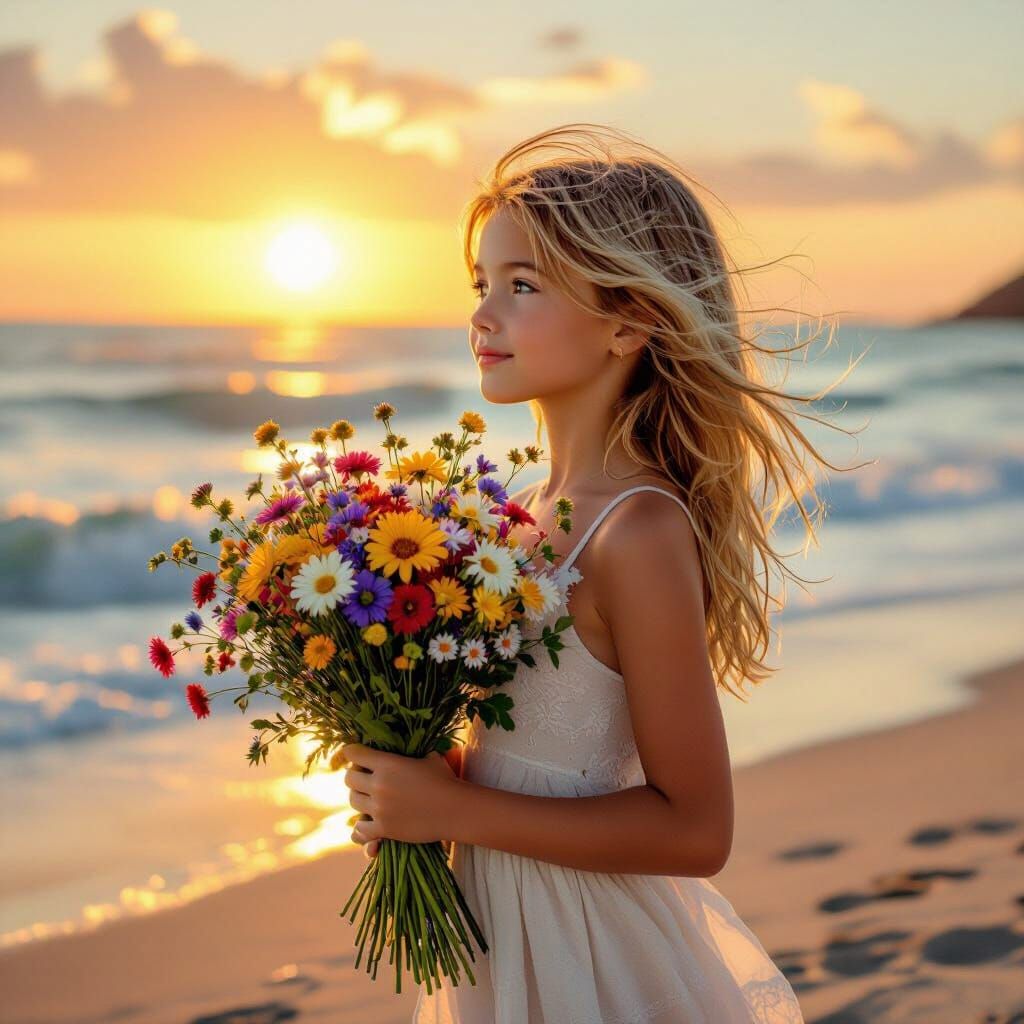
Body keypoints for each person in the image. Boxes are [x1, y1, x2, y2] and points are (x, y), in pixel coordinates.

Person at [342, 122, 863, 1022]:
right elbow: (531, 749)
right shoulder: (512, 515)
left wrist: (454, 815)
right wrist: (422, 776)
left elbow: (697, 830)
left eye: (522, 286)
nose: (482, 315)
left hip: (589, 948)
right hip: (497, 928)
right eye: (481, 285)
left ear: (630, 321)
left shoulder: (638, 530)